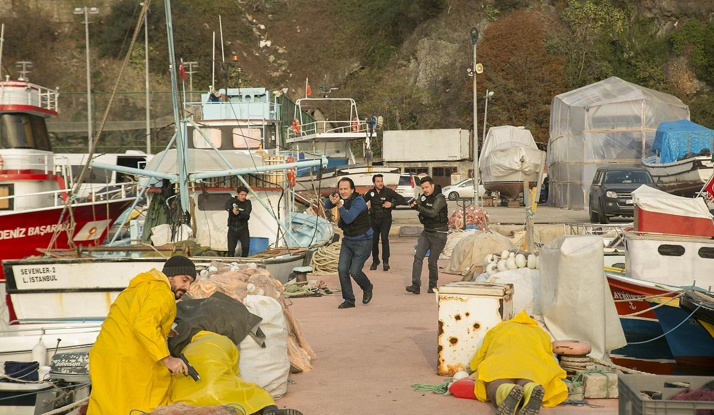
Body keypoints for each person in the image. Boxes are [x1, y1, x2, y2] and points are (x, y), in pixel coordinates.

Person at [87, 256, 197, 415]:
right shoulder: (163, 293)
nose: (187, 287)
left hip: (105, 356)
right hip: (128, 361)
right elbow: (144, 324)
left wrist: (162, 330)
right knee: (142, 403)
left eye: (190, 283)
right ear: (171, 275)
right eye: (184, 280)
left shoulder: (140, 286)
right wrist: (167, 359)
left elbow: (132, 316)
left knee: (104, 406)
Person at [469, 311, 568, 415]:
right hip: (531, 365)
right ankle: (531, 388)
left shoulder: (499, 328)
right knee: (528, 379)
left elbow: (481, 354)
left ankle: (507, 391)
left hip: (499, 362)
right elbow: (548, 357)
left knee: (496, 383)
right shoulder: (542, 333)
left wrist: (473, 367)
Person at [324, 177, 374, 309]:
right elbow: (326, 205)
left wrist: (339, 206)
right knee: (342, 269)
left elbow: (348, 218)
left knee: (355, 271)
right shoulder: (342, 200)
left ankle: (367, 287)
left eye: (346, 189)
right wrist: (331, 199)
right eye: (341, 189)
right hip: (348, 241)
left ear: (352, 189)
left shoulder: (359, 201)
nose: (343, 191)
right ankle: (349, 299)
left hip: (363, 241)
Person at [406, 176, 448, 294]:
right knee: (418, 257)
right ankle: (415, 285)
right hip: (426, 232)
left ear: (432, 186)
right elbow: (417, 203)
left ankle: (432, 286)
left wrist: (418, 208)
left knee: (432, 262)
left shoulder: (440, 198)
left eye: (427, 187)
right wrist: (413, 203)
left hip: (439, 234)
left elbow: (433, 213)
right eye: (423, 188)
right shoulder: (423, 197)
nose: (425, 190)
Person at [363, 174, 406, 271]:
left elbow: (402, 199)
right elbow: (361, 202)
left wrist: (392, 204)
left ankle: (385, 261)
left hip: (385, 219)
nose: (380, 183)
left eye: (381, 181)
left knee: (384, 238)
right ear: (374, 183)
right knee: (374, 240)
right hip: (373, 220)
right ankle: (375, 260)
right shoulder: (370, 193)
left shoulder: (388, 192)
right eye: (378, 181)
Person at [226, 186, 252, 257]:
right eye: (242, 195)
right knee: (231, 250)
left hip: (243, 228)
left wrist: (238, 213)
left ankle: (244, 261)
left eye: (245, 195)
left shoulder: (247, 203)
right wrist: (232, 210)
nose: (243, 197)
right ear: (238, 194)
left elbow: (246, 214)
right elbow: (226, 206)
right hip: (232, 228)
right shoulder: (232, 200)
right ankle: (231, 263)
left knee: (246, 247)